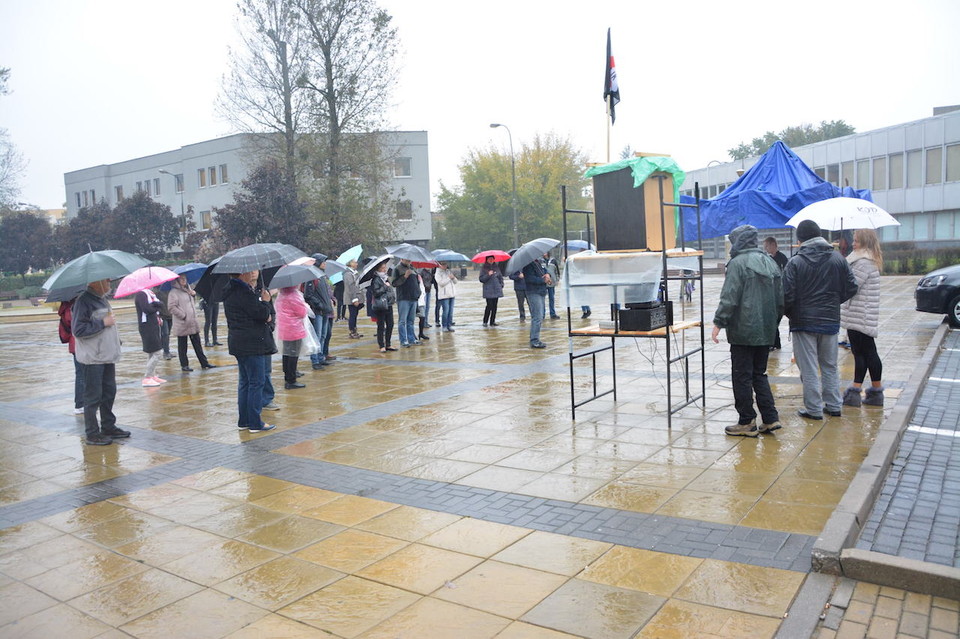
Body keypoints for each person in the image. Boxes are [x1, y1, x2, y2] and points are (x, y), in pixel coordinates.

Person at [711, 225, 784, 437]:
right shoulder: (770, 262)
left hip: (743, 331)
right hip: (765, 330)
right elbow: (781, 300)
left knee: (741, 376)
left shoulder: (737, 263)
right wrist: (772, 324)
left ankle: (747, 421)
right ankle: (770, 418)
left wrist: (718, 323)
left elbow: (729, 297)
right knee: (759, 374)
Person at [784, 219, 858, 420]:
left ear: (800, 239)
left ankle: (814, 409)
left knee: (808, 368)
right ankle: (834, 405)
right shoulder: (838, 259)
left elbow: (786, 296)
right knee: (829, 365)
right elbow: (852, 287)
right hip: (830, 321)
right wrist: (834, 301)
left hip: (803, 322)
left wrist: (791, 313)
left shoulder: (795, 262)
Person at [72, 278, 129, 445]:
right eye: (106, 281)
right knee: (93, 396)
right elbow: (78, 330)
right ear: (95, 283)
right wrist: (103, 322)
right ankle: (92, 433)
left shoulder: (101, 299)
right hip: (93, 358)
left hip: (106, 355)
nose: (109, 283)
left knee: (109, 392)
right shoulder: (83, 301)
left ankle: (108, 427)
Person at [221, 270, 277, 432]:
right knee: (256, 382)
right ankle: (255, 422)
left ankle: (244, 421)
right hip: (252, 343)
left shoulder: (230, 290)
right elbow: (262, 315)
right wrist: (266, 301)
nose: (252, 272)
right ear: (241, 274)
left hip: (239, 342)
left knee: (245, 382)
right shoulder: (243, 292)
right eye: (248, 270)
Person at [841, 228, 885, 407]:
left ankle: (855, 391)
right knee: (867, 352)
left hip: (860, 315)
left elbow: (851, 286)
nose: (853, 243)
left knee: (862, 353)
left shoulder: (862, 262)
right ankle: (874, 391)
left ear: (865, 243)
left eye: (856, 241)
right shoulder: (866, 260)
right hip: (862, 314)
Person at [167, 274, 217, 373]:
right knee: (182, 346)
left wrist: (193, 295)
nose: (183, 280)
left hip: (192, 322)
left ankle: (204, 363)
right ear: (177, 280)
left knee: (197, 344)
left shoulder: (188, 290)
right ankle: (184, 365)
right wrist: (183, 315)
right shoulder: (174, 292)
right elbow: (171, 307)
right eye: (181, 279)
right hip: (182, 323)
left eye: (184, 278)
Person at [304, 254, 335, 369]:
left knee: (323, 335)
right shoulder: (312, 277)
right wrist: (319, 304)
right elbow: (308, 295)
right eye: (323, 262)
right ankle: (315, 360)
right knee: (317, 336)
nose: (325, 264)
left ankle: (321, 357)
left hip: (325, 311)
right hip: (318, 311)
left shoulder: (322, 276)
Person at [276, 285, 309, 390]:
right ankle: (291, 380)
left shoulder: (281, 295)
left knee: (286, 353)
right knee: (293, 354)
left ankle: (287, 375)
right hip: (294, 329)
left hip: (284, 329)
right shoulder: (294, 295)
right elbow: (302, 312)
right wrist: (305, 306)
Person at [57, 298, 85, 415]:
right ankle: (80, 404)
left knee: (81, 374)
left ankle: (81, 403)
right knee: (82, 375)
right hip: (80, 344)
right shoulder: (73, 307)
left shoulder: (66, 306)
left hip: (75, 344)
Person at [135, 288, 166, 387]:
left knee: (152, 352)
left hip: (154, 325)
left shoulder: (151, 294)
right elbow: (147, 309)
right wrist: (156, 306)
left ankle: (152, 375)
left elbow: (160, 304)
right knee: (158, 352)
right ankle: (147, 376)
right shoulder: (141, 294)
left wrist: (156, 306)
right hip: (147, 327)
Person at [763, 236, 789, 350]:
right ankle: (775, 343)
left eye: (767, 246)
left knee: (774, 318)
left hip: (779, 292)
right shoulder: (767, 259)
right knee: (772, 319)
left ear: (773, 245)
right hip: (771, 291)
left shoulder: (782, 258)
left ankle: (773, 342)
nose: (766, 249)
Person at [521, 255, 551, 348]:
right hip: (533, 292)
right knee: (537, 316)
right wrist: (543, 280)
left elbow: (544, 272)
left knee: (540, 316)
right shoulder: (527, 264)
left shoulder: (538, 262)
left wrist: (547, 275)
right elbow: (529, 279)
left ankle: (535, 337)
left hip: (541, 291)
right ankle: (534, 340)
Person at [392, 257, 421, 347]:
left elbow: (416, 282)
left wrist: (418, 292)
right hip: (403, 298)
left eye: (410, 259)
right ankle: (403, 340)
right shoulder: (397, 269)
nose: (409, 261)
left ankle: (412, 338)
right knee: (402, 321)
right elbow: (394, 283)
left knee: (411, 321)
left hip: (413, 298)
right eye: (407, 259)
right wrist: (405, 277)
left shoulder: (412, 268)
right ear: (402, 259)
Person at [369, 260, 397, 352]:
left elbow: (390, 289)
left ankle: (388, 344)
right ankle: (381, 345)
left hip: (388, 304)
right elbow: (376, 292)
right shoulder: (375, 279)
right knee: (381, 326)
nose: (385, 269)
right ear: (378, 269)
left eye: (385, 267)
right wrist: (385, 286)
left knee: (390, 324)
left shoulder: (386, 278)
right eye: (383, 268)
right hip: (380, 306)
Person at [479, 255, 504, 326]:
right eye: (489, 259)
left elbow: (500, 277)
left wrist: (501, 284)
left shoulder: (496, 267)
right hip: (488, 290)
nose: (491, 260)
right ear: (486, 260)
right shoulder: (484, 268)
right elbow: (481, 279)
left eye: (492, 259)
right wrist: (488, 274)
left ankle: (492, 321)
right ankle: (485, 321)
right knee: (489, 306)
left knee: (495, 306)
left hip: (496, 289)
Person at [343, 259, 364, 339]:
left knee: (354, 315)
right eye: (355, 262)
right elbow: (351, 287)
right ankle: (352, 331)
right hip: (351, 298)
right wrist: (354, 299)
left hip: (355, 297)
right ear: (350, 263)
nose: (357, 264)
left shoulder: (354, 273)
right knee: (352, 315)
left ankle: (355, 331)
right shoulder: (348, 274)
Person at [435, 261, 458, 332]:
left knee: (450, 312)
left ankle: (449, 325)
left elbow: (455, 282)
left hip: (452, 294)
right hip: (444, 295)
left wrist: (453, 277)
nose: (445, 265)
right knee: (446, 311)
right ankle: (444, 326)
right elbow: (441, 283)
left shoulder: (448, 271)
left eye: (445, 264)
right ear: (439, 265)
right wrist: (448, 278)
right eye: (443, 264)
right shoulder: (437, 272)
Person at [156, 287, 174, 359]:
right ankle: (166, 352)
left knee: (167, 334)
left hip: (170, 315)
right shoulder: (157, 291)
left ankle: (166, 350)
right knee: (165, 333)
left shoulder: (170, 289)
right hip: (162, 316)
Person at [544, 252, 561, 319]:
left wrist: (557, 280)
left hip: (552, 283)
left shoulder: (553, 260)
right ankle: (542, 314)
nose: (544, 253)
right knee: (542, 299)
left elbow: (557, 271)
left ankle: (552, 314)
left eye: (545, 252)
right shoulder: (539, 260)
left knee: (552, 298)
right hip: (543, 283)